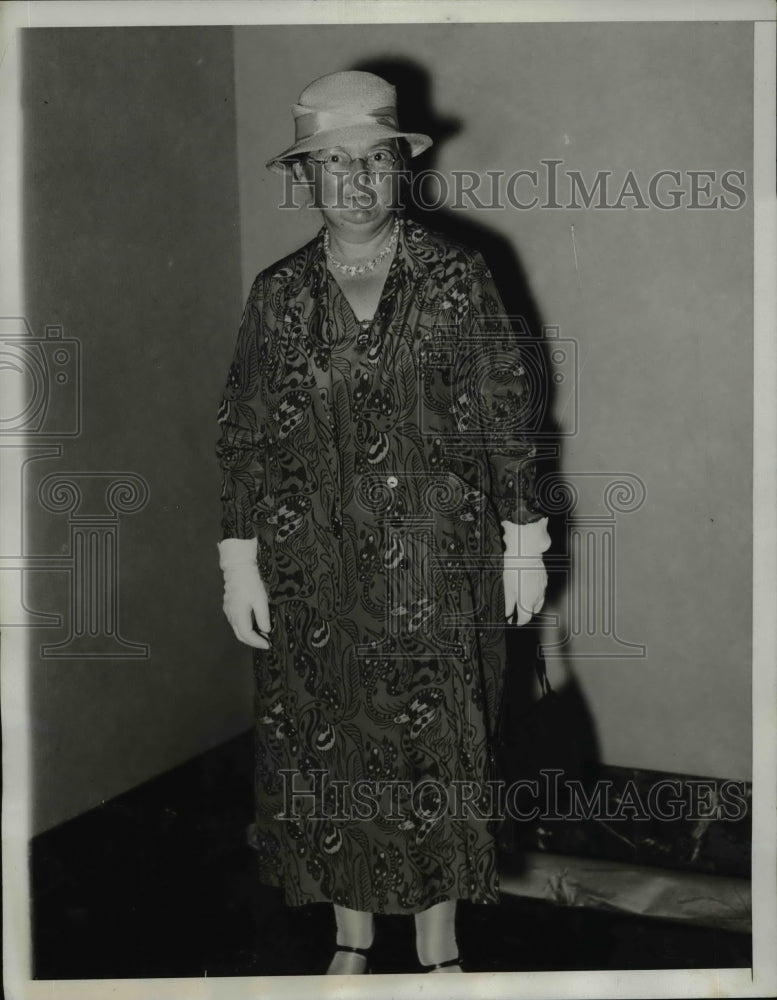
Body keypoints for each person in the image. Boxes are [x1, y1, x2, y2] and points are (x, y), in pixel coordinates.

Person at [215, 70, 551, 975]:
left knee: (439, 753)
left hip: (439, 567)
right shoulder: (278, 293)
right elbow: (245, 434)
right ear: (306, 176)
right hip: (314, 577)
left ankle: (439, 952)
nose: (356, 181)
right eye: (334, 162)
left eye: (373, 160)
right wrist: (239, 561)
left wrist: (525, 537)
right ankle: (351, 942)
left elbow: (505, 411)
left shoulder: (456, 276)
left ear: (400, 167)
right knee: (333, 755)